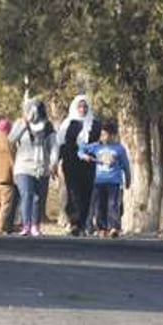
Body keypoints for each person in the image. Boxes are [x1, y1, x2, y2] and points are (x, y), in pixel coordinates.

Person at [10, 99, 58, 236]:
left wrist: (53, 163)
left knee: (38, 198)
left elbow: (53, 146)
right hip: (23, 167)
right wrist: (24, 123)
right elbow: (12, 139)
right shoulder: (20, 123)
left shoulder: (48, 127)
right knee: (27, 194)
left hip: (41, 166)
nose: (33, 113)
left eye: (35, 109)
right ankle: (26, 225)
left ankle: (35, 226)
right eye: (30, 109)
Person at [57, 94, 102, 236]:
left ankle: (83, 223)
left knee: (87, 193)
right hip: (71, 162)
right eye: (80, 106)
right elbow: (59, 144)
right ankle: (74, 222)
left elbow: (101, 144)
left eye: (85, 106)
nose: (82, 109)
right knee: (73, 192)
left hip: (88, 164)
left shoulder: (95, 124)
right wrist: (55, 162)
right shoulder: (67, 123)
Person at [79, 118, 131, 237]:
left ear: (112, 135)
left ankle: (114, 227)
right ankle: (101, 227)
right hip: (99, 181)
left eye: (104, 134)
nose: (102, 137)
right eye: (101, 134)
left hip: (114, 182)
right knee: (99, 205)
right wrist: (84, 156)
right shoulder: (96, 147)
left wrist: (128, 179)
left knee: (113, 204)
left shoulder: (119, 149)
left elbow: (126, 165)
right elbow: (81, 149)